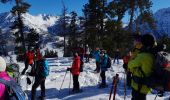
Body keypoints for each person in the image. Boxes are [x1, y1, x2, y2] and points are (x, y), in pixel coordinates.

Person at [128, 34, 155, 100]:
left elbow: (130, 64)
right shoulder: (152, 54)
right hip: (145, 86)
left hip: (139, 86)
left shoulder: (143, 56)